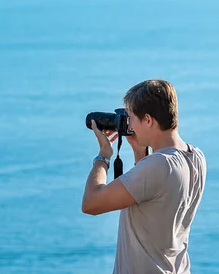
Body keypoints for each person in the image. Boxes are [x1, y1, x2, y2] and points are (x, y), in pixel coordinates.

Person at [81, 79, 207, 274]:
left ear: (148, 120)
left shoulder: (159, 165)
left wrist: (103, 156)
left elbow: (91, 203)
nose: (128, 124)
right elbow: (153, 197)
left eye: (130, 117)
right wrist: (139, 150)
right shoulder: (195, 157)